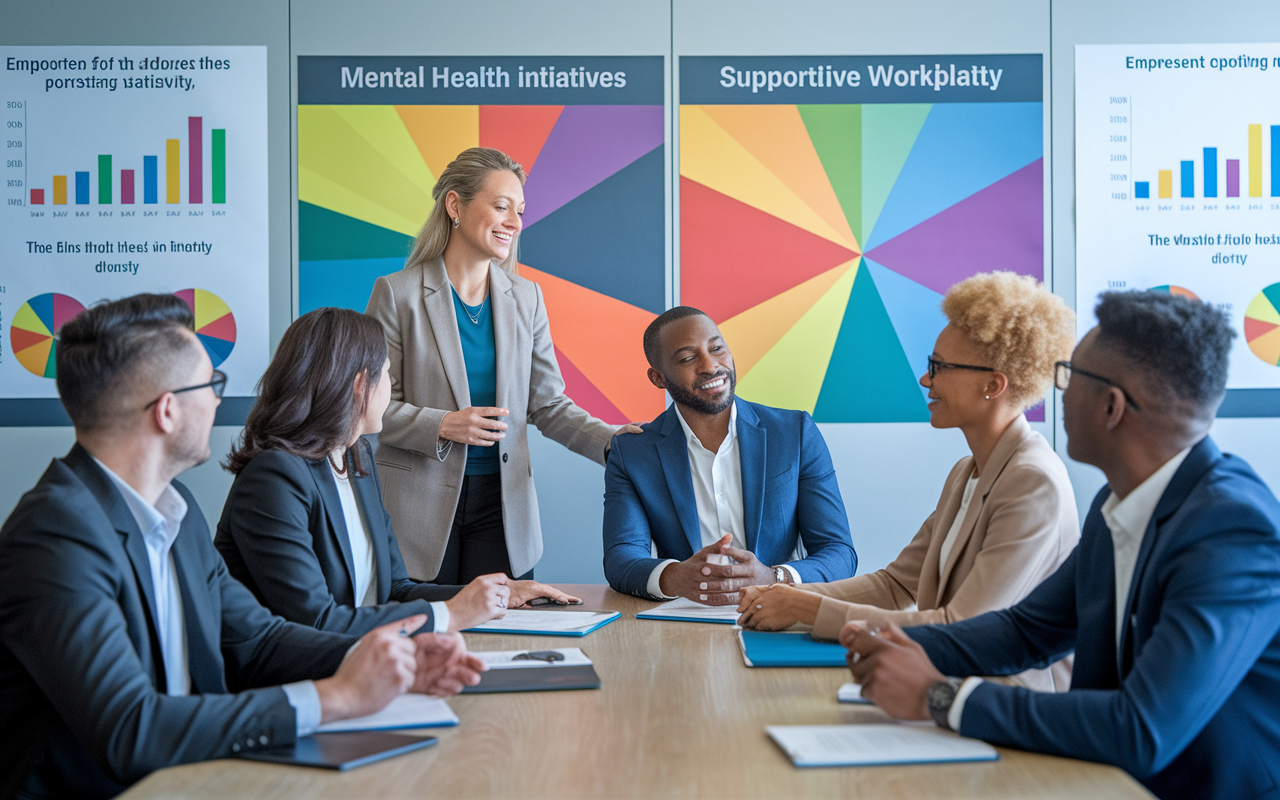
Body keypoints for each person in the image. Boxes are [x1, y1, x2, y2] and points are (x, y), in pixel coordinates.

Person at [0, 294, 485, 799]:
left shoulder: (174, 509)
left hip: (197, 776)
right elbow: (130, 728)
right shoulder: (55, 537)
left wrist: (393, 659)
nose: (216, 401)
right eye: (210, 385)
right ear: (167, 411)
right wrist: (332, 698)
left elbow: (259, 640)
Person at [842, 291, 1280, 800]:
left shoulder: (1234, 532)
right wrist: (893, 643)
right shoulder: (1116, 504)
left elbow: (1140, 729)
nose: (1057, 394)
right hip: (1102, 779)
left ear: (1111, 406)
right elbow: (1028, 630)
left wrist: (940, 696)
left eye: (1067, 379)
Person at [737, 272, 1078, 691]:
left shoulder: (1032, 482)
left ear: (994, 384)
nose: (925, 379)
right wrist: (785, 594)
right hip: (941, 684)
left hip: (1003, 702)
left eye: (940, 367)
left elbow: (963, 626)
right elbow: (896, 584)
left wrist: (807, 608)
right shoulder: (966, 472)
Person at [215, 307, 581, 637]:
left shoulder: (355, 457)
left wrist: (496, 594)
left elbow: (395, 590)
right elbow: (316, 622)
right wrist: (450, 614)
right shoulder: (274, 478)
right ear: (361, 385)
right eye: (388, 374)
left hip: (359, 663)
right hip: (294, 684)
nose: (391, 389)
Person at [365, 147, 640, 585]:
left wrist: (613, 443)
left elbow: (547, 404)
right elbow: (370, 409)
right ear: (455, 205)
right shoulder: (397, 295)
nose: (514, 221)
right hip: (417, 510)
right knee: (429, 644)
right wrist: (442, 424)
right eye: (501, 206)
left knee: (504, 640)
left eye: (520, 210)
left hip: (504, 506)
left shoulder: (526, 298)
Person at [603, 306, 857, 603]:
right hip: (683, 622)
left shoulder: (794, 433)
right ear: (658, 378)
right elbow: (621, 559)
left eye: (717, 348)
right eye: (688, 358)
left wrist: (775, 577)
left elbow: (839, 552)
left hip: (781, 613)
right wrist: (677, 577)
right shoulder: (633, 453)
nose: (710, 366)